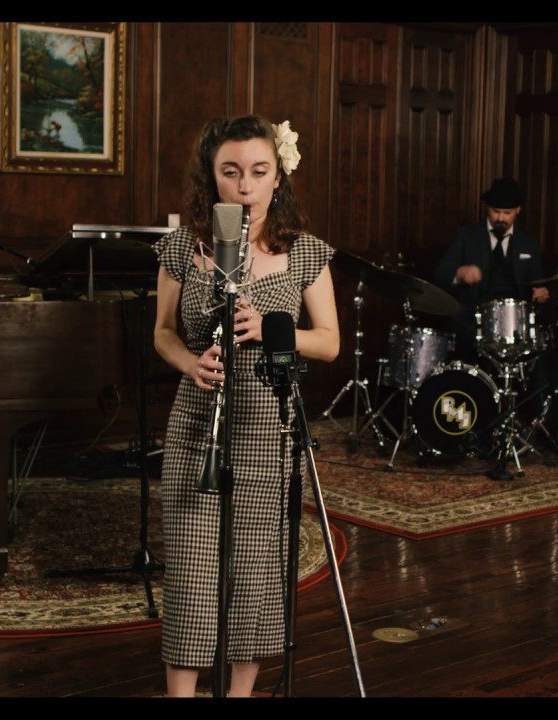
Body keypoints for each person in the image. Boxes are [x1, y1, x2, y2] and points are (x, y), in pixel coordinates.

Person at [152, 115, 340, 697]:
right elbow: (162, 333)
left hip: (267, 427)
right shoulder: (182, 247)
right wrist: (190, 363)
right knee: (192, 572)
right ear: (210, 178)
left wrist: (272, 329)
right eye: (230, 172)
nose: (245, 187)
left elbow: (329, 342)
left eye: (259, 172)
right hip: (197, 423)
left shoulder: (305, 252)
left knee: (255, 571)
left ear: (278, 176)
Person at [433, 177, 549, 363]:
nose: (500, 218)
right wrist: (460, 273)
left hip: (515, 329)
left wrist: (541, 293)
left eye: (507, 213)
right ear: (487, 208)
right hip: (471, 327)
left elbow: (538, 283)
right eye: (496, 212)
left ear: (518, 210)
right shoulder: (466, 236)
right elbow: (440, 275)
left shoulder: (529, 244)